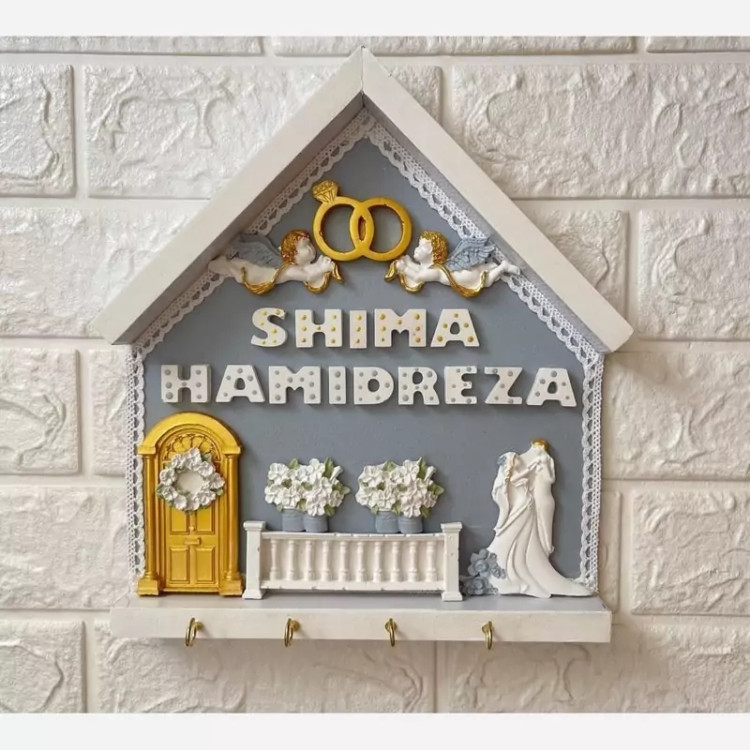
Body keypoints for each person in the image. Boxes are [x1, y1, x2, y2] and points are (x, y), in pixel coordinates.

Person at [486, 439, 590, 598]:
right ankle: (513, 571)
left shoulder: (528, 469)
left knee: (526, 537)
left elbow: (543, 478)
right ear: (511, 464)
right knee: (517, 535)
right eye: (516, 461)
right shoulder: (514, 475)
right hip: (523, 506)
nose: (520, 462)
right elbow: (522, 476)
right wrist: (535, 464)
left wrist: (539, 463)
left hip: (528, 505)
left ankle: (525, 565)